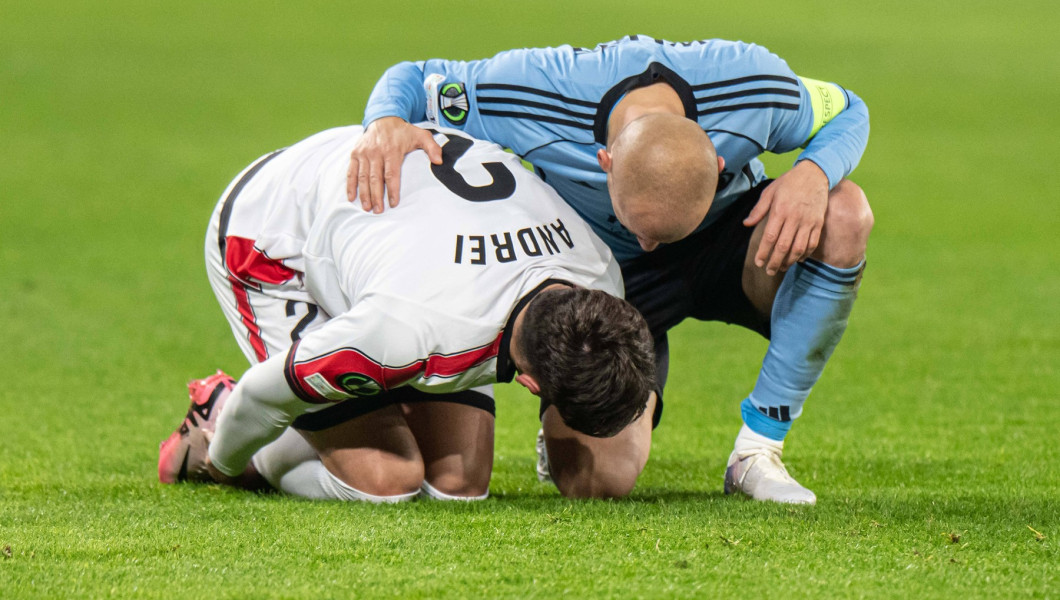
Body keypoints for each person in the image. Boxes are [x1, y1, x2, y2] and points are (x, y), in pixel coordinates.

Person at [346, 36, 875, 504]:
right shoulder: (532, 91)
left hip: (731, 245)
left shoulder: (754, 87)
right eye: (639, 225)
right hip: (609, 280)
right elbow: (413, 78)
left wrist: (813, 170)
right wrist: (385, 121)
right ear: (606, 161)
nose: (650, 242)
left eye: (661, 232)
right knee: (598, 482)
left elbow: (851, 109)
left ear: (716, 163)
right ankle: (576, 399)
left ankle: (758, 450)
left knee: (844, 212)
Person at [157, 123, 657, 502]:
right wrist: (224, 464)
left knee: (457, 487)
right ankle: (215, 413)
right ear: (531, 384)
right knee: (386, 483)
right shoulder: (408, 328)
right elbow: (266, 395)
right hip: (271, 234)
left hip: (396, 237)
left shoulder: (597, 274)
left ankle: (368, 403)